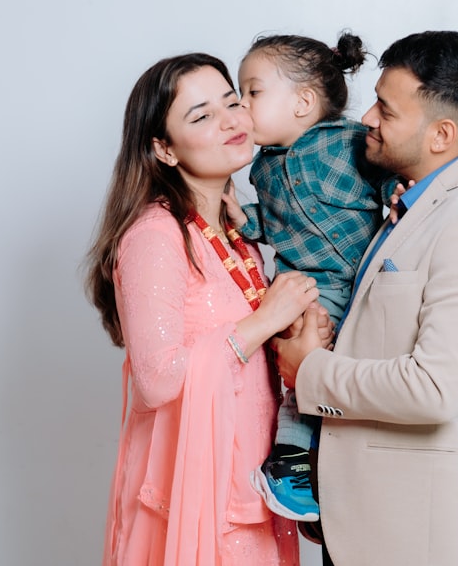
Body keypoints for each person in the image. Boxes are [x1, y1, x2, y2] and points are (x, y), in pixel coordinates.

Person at [273, 31, 458, 565]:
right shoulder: (405, 202)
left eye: (386, 111)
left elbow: (433, 388)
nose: (367, 118)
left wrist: (309, 371)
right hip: (353, 516)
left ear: (441, 134)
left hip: (403, 533)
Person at [85, 52, 332, 566]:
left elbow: (246, 367)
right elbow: (157, 381)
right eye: (201, 116)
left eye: (232, 102)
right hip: (195, 502)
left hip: (249, 493)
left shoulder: (238, 234)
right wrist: (264, 319)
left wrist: (298, 339)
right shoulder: (156, 235)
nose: (229, 121)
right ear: (164, 149)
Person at [220, 32, 397, 524]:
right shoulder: (262, 170)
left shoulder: (349, 142)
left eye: (253, 92)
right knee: (305, 367)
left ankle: (323, 470)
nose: (241, 104)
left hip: (364, 282)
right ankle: (291, 461)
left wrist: (397, 191)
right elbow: (275, 225)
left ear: (302, 103)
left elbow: (384, 174)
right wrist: (244, 219)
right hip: (308, 288)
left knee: (350, 379)